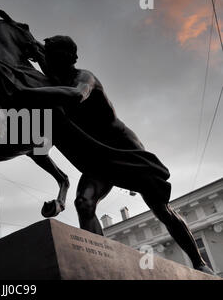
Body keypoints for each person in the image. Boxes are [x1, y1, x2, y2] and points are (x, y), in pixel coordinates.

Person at [18, 35, 213, 274]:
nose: (47, 58)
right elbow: (39, 52)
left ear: (71, 58)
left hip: (124, 148)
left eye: (54, 55)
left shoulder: (84, 78)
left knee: (160, 208)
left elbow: (76, 95)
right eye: (47, 55)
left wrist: (25, 93)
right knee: (84, 203)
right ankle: (103, 265)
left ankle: (200, 263)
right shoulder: (54, 74)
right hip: (98, 158)